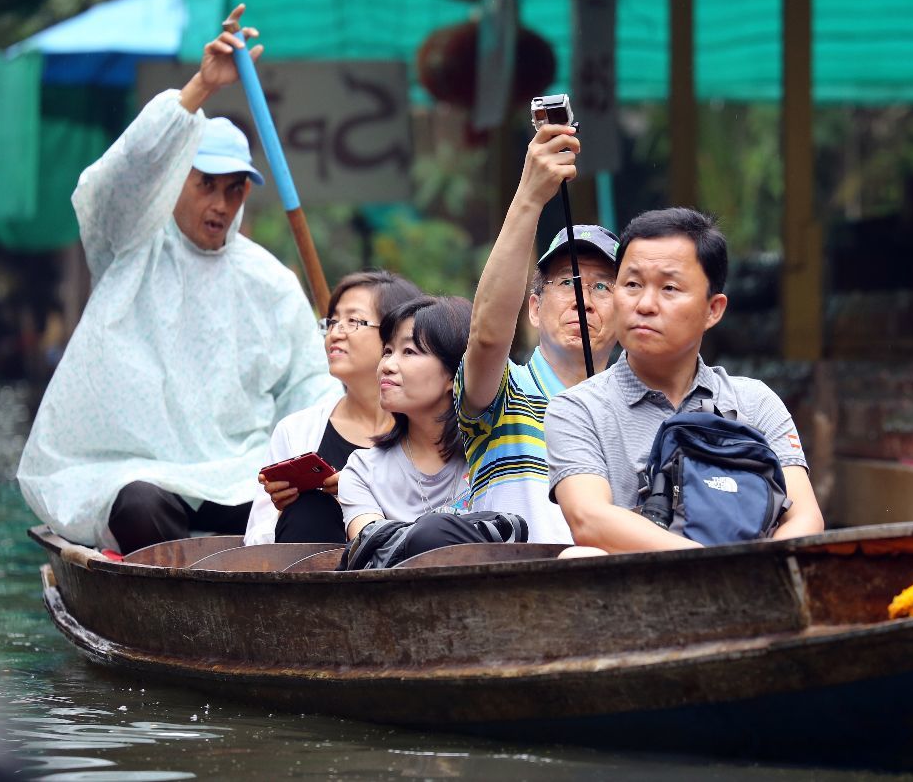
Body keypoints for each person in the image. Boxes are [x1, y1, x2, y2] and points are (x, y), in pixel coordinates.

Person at [16, 6, 338, 551]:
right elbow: (122, 176)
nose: (219, 204)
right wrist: (200, 88)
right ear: (176, 182)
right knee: (142, 508)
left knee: (300, 511)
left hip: (236, 473)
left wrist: (319, 458)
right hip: (138, 471)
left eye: (234, 189)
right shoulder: (132, 243)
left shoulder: (269, 281)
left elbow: (308, 388)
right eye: (205, 185)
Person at [545, 207, 825, 554]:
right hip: (633, 598)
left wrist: (751, 577)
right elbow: (590, 519)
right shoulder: (576, 409)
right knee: (580, 556)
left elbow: (805, 519)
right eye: (632, 284)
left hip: (750, 592)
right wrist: (708, 567)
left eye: (669, 288)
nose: (645, 304)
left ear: (713, 310)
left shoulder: (755, 402)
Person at [455, 122, 620, 543]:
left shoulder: (642, 407)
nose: (584, 299)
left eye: (603, 285)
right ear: (533, 308)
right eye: (567, 282)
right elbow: (487, 336)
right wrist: (530, 195)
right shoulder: (503, 396)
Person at [338, 296, 527, 564]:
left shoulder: (498, 455)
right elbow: (370, 553)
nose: (387, 366)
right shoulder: (362, 469)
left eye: (409, 352)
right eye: (388, 351)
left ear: (454, 375)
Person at [244, 270, 422, 545]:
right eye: (333, 321)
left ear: (396, 337)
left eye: (353, 321)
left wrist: (358, 496)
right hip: (308, 579)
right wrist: (284, 514)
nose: (335, 333)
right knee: (310, 509)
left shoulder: (427, 430)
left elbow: (440, 526)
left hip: (395, 580)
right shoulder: (296, 431)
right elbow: (253, 542)